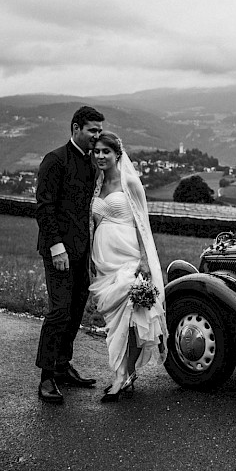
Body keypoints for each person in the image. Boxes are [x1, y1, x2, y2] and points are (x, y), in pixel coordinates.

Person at [89, 132, 167, 402]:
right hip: (104, 261)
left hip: (129, 255)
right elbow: (94, 224)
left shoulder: (130, 182)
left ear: (117, 154)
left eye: (105, 152)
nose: (100, 156)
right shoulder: (96, 184)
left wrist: (145, 259)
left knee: (134, 315)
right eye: (96, 151)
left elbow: (142, 223)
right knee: (114, 319)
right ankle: (125, 373)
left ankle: (123, 374)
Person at [34, 106, 105, 404]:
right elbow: (44, 207)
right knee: (60, 312)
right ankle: (47, 377)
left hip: (81, 251)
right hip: (58, 251)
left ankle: (63, 366)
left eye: (100, 131)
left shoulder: (91, 164)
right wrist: (56, 247)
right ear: (76, 128)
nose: (96, 137)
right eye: (92, 130)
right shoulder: (55, 160)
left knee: (76, 310)